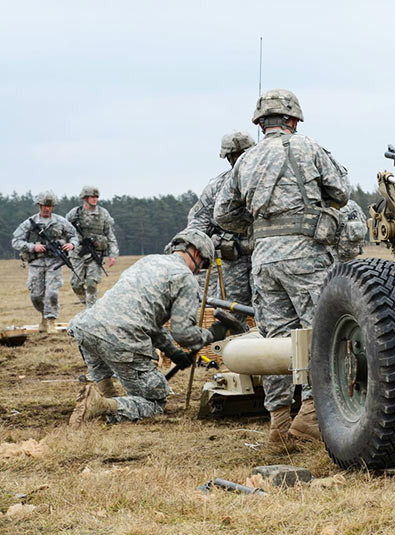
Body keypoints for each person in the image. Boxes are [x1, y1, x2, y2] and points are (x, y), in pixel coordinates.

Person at [214, 89, 351, 444]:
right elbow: (341, 192)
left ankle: (278, 422)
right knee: (319, 335)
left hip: (263, 260)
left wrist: (259, 224)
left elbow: (223, 213)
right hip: (305, 255)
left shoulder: (245, 160)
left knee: (273, 342)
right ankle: (310, 416)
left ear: (260, 124)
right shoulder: (308, 147)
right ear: (293, 120)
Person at [67, 229, 234, 425]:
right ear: (197, 253)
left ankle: (103, 404)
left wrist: (172, 351)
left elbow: (149, 319)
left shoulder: (148, 261)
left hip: (86, 327)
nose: (199, 271)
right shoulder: (184, 278)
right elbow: (184, 334)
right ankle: (101, 406)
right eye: (204, 265)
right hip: (120, 336)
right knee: (154, 401)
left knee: (103, 372)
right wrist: (213, 333)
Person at [187, 131, 256, 323]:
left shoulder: (267, 181)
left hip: (264, 256)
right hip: (232, 261)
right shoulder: (217, 187)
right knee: (230, 315)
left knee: (269, 311)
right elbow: (197, 225)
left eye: (245, 153)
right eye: (236, 155)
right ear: (229, 158)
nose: (241, 159)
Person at [10, 191, 79, 333]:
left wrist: (72, 244)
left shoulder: (60, 221)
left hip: (55, 262)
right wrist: (32, 247)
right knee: (36, 295)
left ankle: (51, 320)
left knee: (52, 293)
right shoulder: (30, 223)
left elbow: (74, 236)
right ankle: (43, 316)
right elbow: (16, 241)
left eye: (50, 206)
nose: (47, 208)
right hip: (36, 262)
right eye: (44, 206)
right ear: (39, 205)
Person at [66, 185, 119, 309]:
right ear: (85, 198)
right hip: (78, 253)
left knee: (91, 283)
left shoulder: (103, 213)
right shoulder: (74, 213)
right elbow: (65, 229)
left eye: (96, 197)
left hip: (95, 254)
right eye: (92, 197)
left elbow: (109, 234)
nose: (95, 199)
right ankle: (87, 303)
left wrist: (113, 254)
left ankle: (91, 310)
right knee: (75, 284)